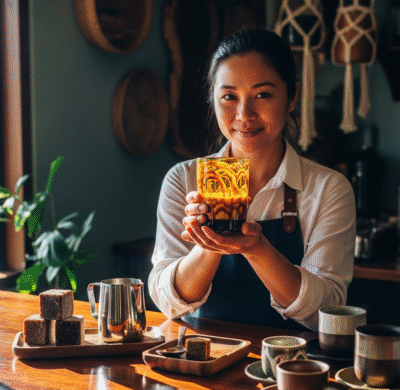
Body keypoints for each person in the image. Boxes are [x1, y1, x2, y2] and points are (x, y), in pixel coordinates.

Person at [148, 28, 355, 331]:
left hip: (289, 369)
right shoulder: (183, 180)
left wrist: (258, 249)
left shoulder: (328, 189)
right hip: (203, 364)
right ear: (213, 100)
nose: (244, 114)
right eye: (229, 96)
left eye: (263, 95)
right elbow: (168, 303)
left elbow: (328, 312)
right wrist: (210, 243)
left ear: (292, 96)